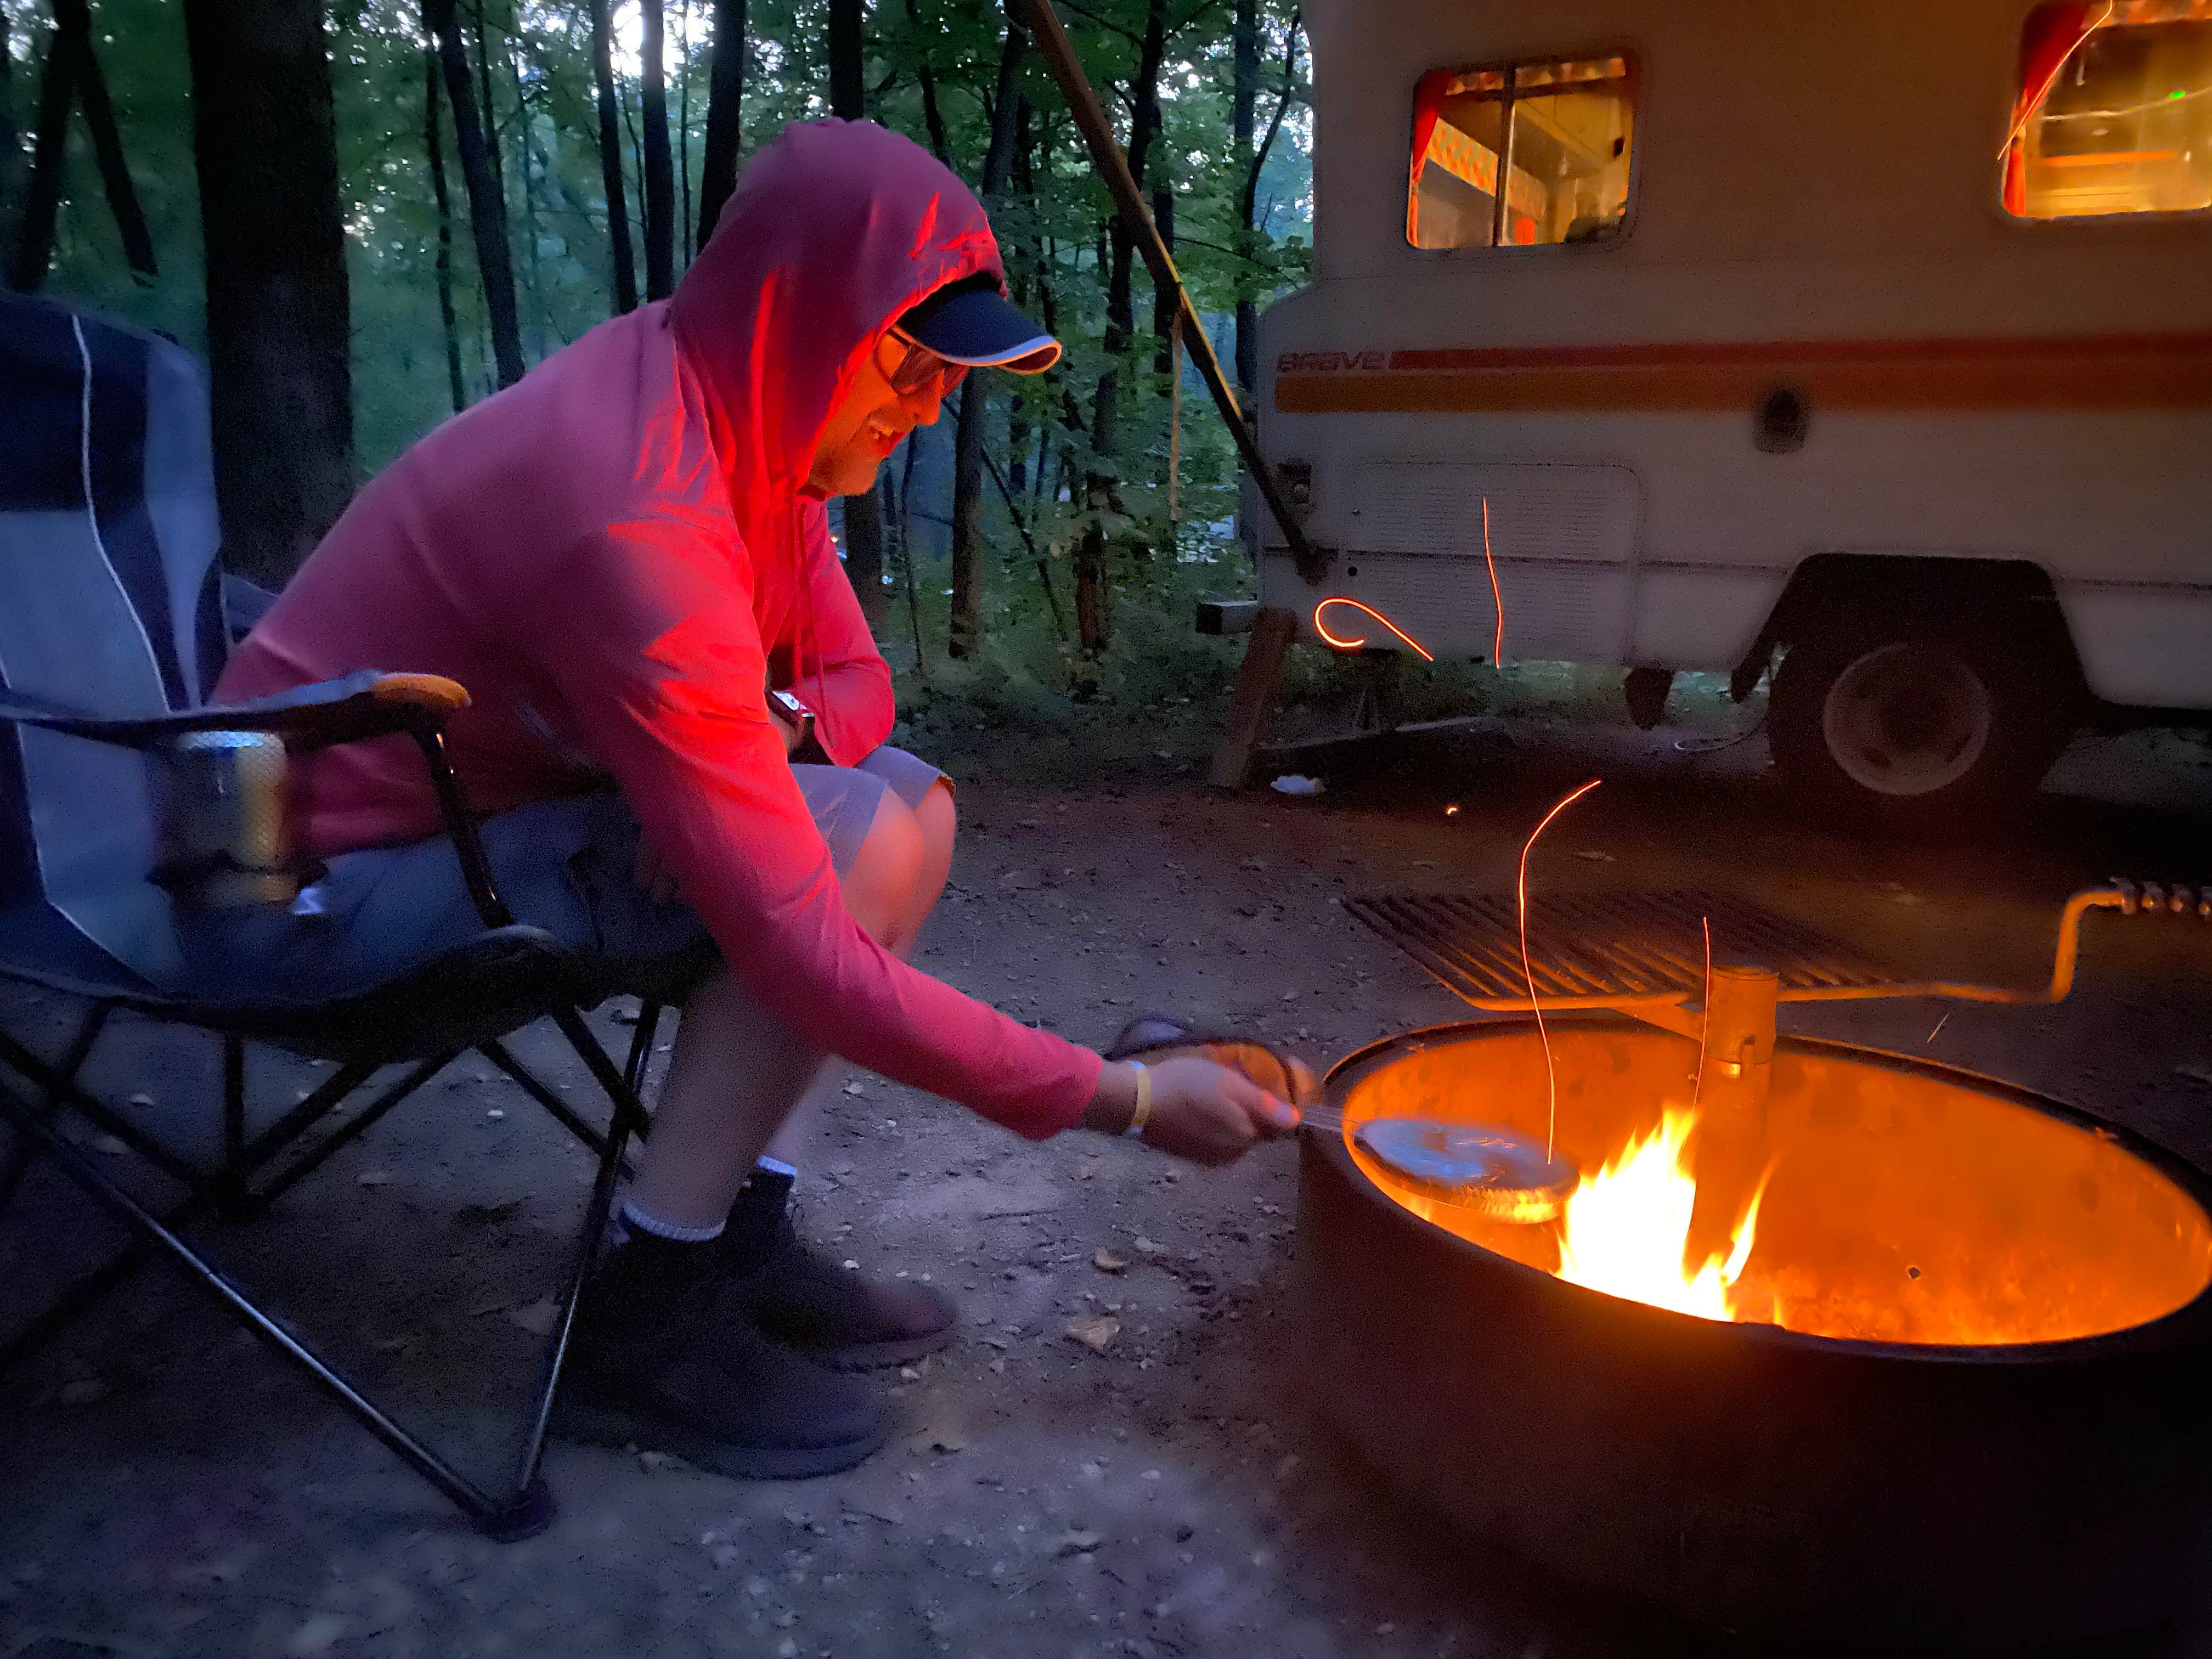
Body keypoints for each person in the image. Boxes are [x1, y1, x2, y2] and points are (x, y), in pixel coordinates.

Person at [214, 119, 1307, 1477]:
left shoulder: (752, 430)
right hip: (302, 889)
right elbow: (805, 949)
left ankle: (736, 1238)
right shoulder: (631, 503)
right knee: (836, 838)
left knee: (910, 800)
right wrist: (1126, 1101)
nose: (924, 402)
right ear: (796, 316)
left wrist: (757, 731)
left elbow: (854, 685)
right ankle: (646, 1315)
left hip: (476, 819)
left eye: (945, 374)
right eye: (905, 358)